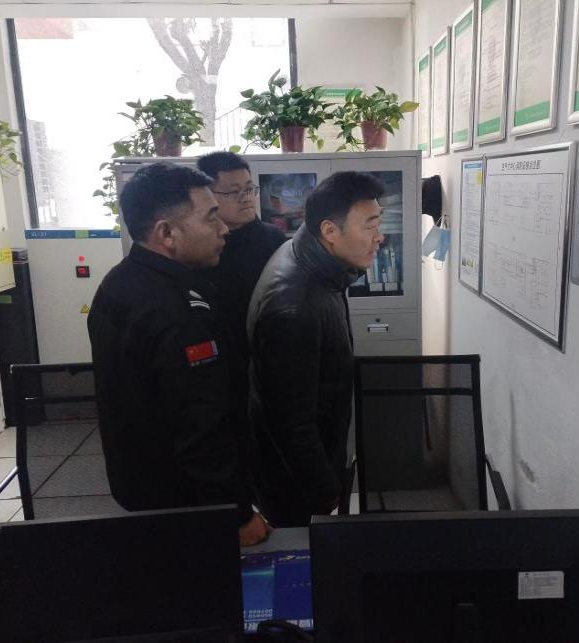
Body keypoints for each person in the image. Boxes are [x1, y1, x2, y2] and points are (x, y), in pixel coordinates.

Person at [87, 161, 270, 546]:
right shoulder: (179, 313)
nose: (223, 229)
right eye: (211, 218)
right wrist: (237, 514)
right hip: (191, 504)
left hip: (140, 485)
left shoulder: (119, 282)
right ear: (166, 233)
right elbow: (201, 427)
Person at [247, 171, 385, 527]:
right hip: (293, 483)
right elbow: (291, 423)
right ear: (329, 231)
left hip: (310, 460)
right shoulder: (295, 306)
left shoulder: (314, 260)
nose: (379, 237)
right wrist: (325, 490)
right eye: (370, 226)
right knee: (303, 551)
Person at [196, 151, 286, 368]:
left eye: (249, 188)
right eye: (233, 191)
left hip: (271, 352)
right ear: (208, 195)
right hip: (219, 358)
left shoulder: (273, 238)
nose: (246, 197)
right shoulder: (200, 246)